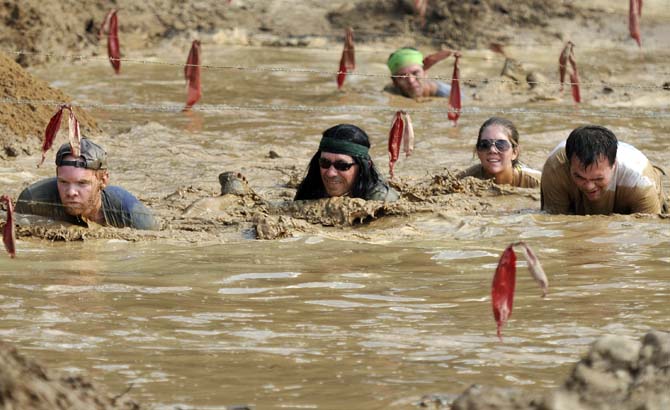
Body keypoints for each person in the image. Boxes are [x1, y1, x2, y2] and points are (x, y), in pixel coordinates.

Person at [15, 138, 159, 229]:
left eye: (82, 183)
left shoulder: (134, 216)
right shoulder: (33, 201)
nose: (71, 192)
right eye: (63, 182)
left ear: (103, 181)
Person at [541, 125, 667, 215]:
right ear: (569, 165)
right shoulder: (555, 169)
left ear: (614, 166)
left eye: (598, 178)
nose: (589, 186)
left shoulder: (640, 182)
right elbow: (555, 224)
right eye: (579, 177)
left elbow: (647, 234)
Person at [294, 124, 399, 202]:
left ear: (364, 166)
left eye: (342, 166)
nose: (330, 173)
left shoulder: (382, 200)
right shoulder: (310, 188)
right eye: (324, 163)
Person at [458, 117, 541, 188]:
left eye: (501, 144)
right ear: (478, 152)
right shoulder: (463, 180)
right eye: (485, 145)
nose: (492, 150)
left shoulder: (538, 182)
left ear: (514, 152)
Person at [386, 47, 453, 99]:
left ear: (425, 73)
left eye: (415, 73)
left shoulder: (448, 93)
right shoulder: (390, 91)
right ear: (395, 81)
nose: (411, 81)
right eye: (403, 76)